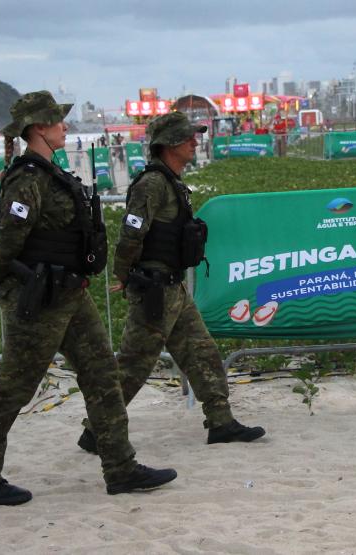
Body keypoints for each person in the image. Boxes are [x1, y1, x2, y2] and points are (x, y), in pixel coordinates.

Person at [0, 91, 176, 506]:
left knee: (102, 377)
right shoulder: (26, 179)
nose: (64, 126)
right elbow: (8, 239)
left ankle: (121, 468)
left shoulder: (49, 173)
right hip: (38, 299)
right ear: (38, 128)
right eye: (57, 121)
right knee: (13, 388)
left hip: (71, 294)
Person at [77, 111, 265, 454]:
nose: (195, 143)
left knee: (203, 354)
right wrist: (123, 274)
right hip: (155, 292)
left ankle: (221, 422)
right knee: (134, 365)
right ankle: (97, 430)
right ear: (169, 145)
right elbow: (131, 234)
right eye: (188, 138)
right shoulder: (151, 184)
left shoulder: (171, 181)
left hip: (173, 288)